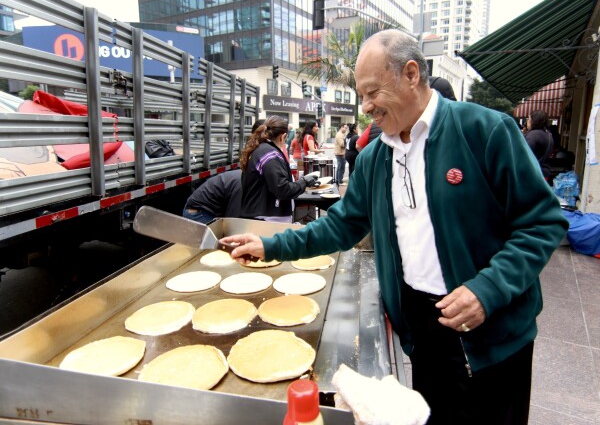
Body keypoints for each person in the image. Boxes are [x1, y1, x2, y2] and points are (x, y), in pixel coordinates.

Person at [221, 30, 568, 424]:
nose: (366, 107)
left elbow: (542, 223)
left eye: (372, 92)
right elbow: (340, 225)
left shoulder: (484, 131)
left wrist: (487, 290)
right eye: (361, 95)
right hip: (423, 329)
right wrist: (272, 245)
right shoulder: (374, 159)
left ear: (411, 73)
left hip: (494, 330)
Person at [239, 116, 319, 223]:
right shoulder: (270, 154)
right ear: (283, 136)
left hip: (261, 216)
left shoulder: (262, 149)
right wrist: (304, 182)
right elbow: (282, 189)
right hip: (267, 219)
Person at [524, 110, 554, 182]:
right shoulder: (548, 135)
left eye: (529, 119)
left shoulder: (533, 135)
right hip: (544, 172)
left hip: (533, 174)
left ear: (534, 120)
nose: (527, 121)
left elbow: (524, 154)